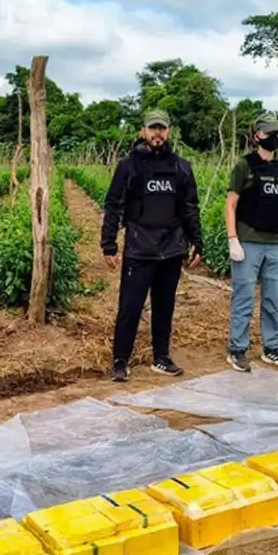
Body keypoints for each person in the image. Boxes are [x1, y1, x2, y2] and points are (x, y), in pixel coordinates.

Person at [101, 109, 202, 383]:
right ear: (142, 131)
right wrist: (108, 244)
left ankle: (161, 357)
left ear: (169, 132)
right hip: (139, 247)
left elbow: (190, 207)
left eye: (162, 128)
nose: (157, 133)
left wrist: (197, 242)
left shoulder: (181, 167)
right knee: (130, 307)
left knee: (164, 305)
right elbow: (113, 205)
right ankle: (120, 360)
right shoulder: (128, 165)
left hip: (171, 249)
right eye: (152, 128)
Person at [224, 111, 278, 373]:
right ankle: (237, 349)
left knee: (272, 299)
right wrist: (233, 239)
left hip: (277, 242)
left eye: (277, 132)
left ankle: (271, 348)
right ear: (257, 136)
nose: (274, 137)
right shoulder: (244, 165)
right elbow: (231, 203)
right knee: (244, 297)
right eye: (269, 133)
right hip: (249, 241)